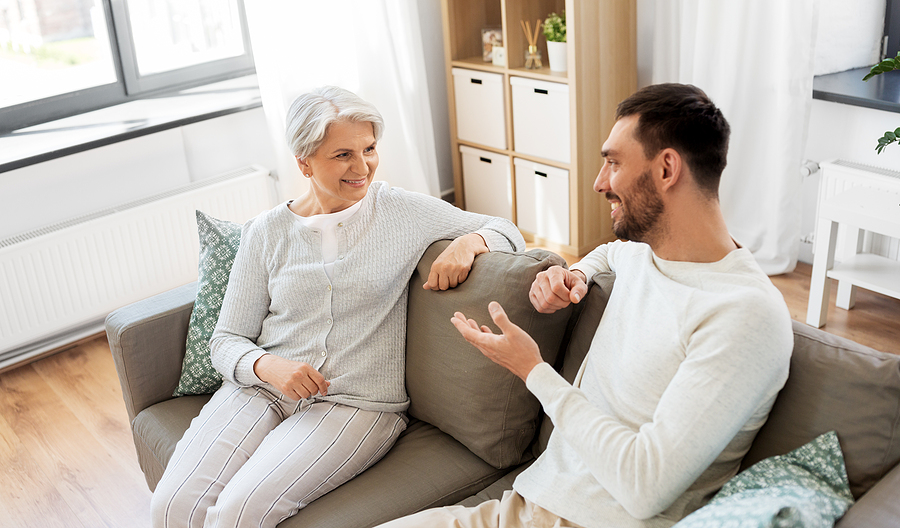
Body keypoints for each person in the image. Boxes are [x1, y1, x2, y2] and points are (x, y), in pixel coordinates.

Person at [378, 83, 794, 528]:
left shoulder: (744, 315)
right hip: (525, 506)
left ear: (667, 168)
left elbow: (644, 487)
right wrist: (574, 275)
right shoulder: (645, 255)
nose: (599, 182)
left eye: (613, 163)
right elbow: (609, 253)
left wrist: (533, 371)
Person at [150, 86, 525, 528]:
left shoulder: (400, 211)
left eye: (369, 149)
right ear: (304, 162)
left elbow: (505, 229)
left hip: (355, 404)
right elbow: (226, 339)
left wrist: (471, 242)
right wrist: (269, 367)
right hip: (260, 388)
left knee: (237, 515)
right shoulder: (266, 232)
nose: (362, 166)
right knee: (172, 508)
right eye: (343, 154)